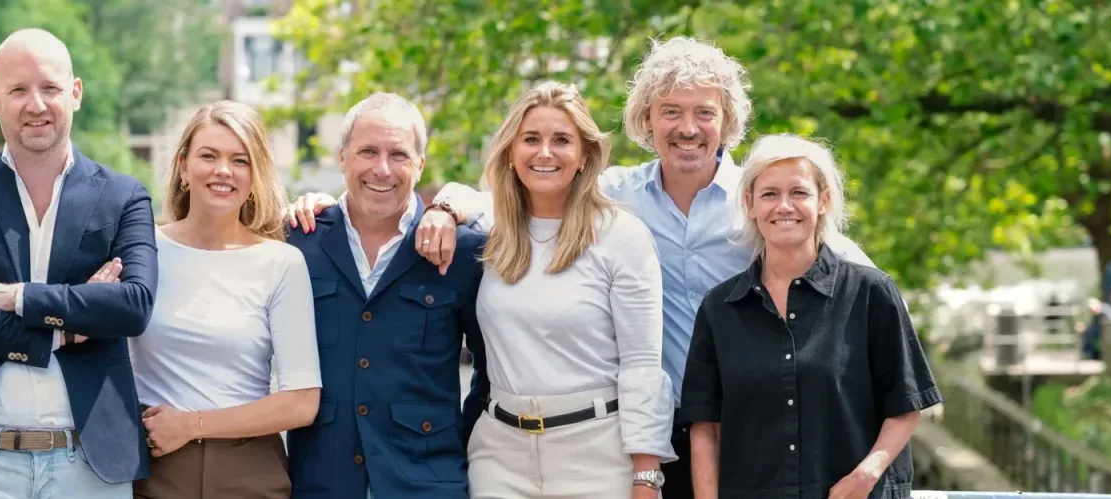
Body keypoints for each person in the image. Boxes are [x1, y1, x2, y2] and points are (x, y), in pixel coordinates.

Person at [287, 36, 875, 497]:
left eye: (704, 112)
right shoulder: (616, 198)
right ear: (648, 120)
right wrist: (441, 206)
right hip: (590, 438)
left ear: (728, 123)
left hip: (730, 424)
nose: (688, 127)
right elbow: (502, 206)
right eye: (670, 111)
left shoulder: (759, 202)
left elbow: (845, 268)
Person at [0, 28, 159, 498]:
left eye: (50, 88)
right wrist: (67, 327)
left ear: (76, 93)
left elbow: (133, 306)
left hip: (91, 466)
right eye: (18, 90)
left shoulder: (124, 197)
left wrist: (20, 299)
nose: (35, 104)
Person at [680, 134, 941, 499]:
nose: (784, 206)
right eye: (770, 194)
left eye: (799, 193)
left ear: (823, 201)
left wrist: (868, 473)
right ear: (750, 203)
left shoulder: (871, 293)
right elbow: (704, 427)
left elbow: (907, 403)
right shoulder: (719, 308)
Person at [450, 81, 670, 498]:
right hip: (500, 456)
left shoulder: (621, 236)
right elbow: (464, 196)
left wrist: (646, 475)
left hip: (597, 457)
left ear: (585, 156)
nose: (545, 152)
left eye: (562, 140)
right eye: (531, 139)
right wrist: (444, 210)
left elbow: (642, 366)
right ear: (511, 153)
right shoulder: (492, 233)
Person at [281, 92, 491, 499]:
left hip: (428, 484)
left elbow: (491, 373)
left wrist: (449, 455)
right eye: (367, 152)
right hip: (320, 484)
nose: (382, 169)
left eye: (398, 154)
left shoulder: (462, 252)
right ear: (342, 159)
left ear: (420, 164)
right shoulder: (299, 244)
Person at [129, 101, 323, 499]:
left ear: (256, 176)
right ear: (183, 166)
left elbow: (302, 402)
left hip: (249, 473)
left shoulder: (281, 262)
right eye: (208, 156)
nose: (223, 171)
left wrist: (192, 424)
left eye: (240, 160)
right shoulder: (142, 248)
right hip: (151, 468)